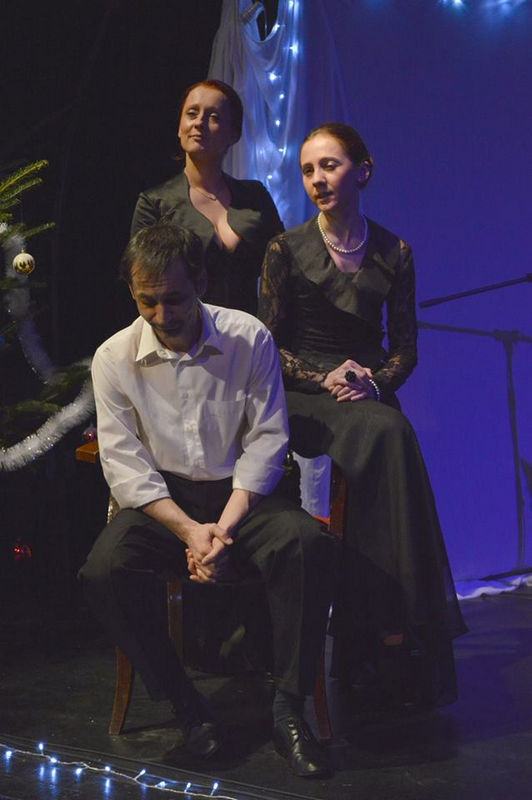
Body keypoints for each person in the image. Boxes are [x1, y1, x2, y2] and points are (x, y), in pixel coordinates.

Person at [79, 223, 334, 778]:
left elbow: (267, 440)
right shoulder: (113, 357)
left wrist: (223, 527)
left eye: (174, 298)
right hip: (165, 502)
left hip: (243, 496)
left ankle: (289, 710)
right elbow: (124, 463)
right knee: (104, 571)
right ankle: (185, 705)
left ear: (200, 281)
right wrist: (191, 533)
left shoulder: (248, 337)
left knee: (306, 545)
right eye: (147, 301)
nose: (162, 314)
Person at [258, 122, 467, 710]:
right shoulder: (284, 250)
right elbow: (268, 345)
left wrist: (374, 381)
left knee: (389, 436)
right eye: (308, 170)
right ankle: (390, 633)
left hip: (365, 391)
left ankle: (385, 634)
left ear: (363, 171)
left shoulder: (395, 251)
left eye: (329, 166)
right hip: (306, 391)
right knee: (390, 432)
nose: (317, 179)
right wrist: (322, 377)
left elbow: (406, 347)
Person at [130, 79, 283, 316]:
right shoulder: (155, 203)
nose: (199, 123)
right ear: (179, 127)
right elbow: (143, 282)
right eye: (192, 114)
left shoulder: (255, 196)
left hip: (248, 331)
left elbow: (284, 268)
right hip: (182, 331)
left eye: (214, 117)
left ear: (234, 134)